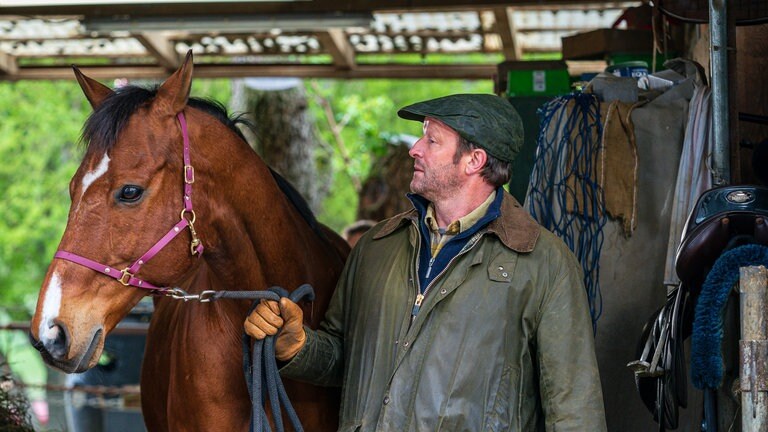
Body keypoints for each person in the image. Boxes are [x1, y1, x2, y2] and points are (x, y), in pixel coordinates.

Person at [245, 94, 607, 431]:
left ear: (474, 160)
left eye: (431, 141)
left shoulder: (544, 263)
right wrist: (297, 346)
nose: (414, 150)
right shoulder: (376, 247)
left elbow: (574, 408)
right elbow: (346, 358)